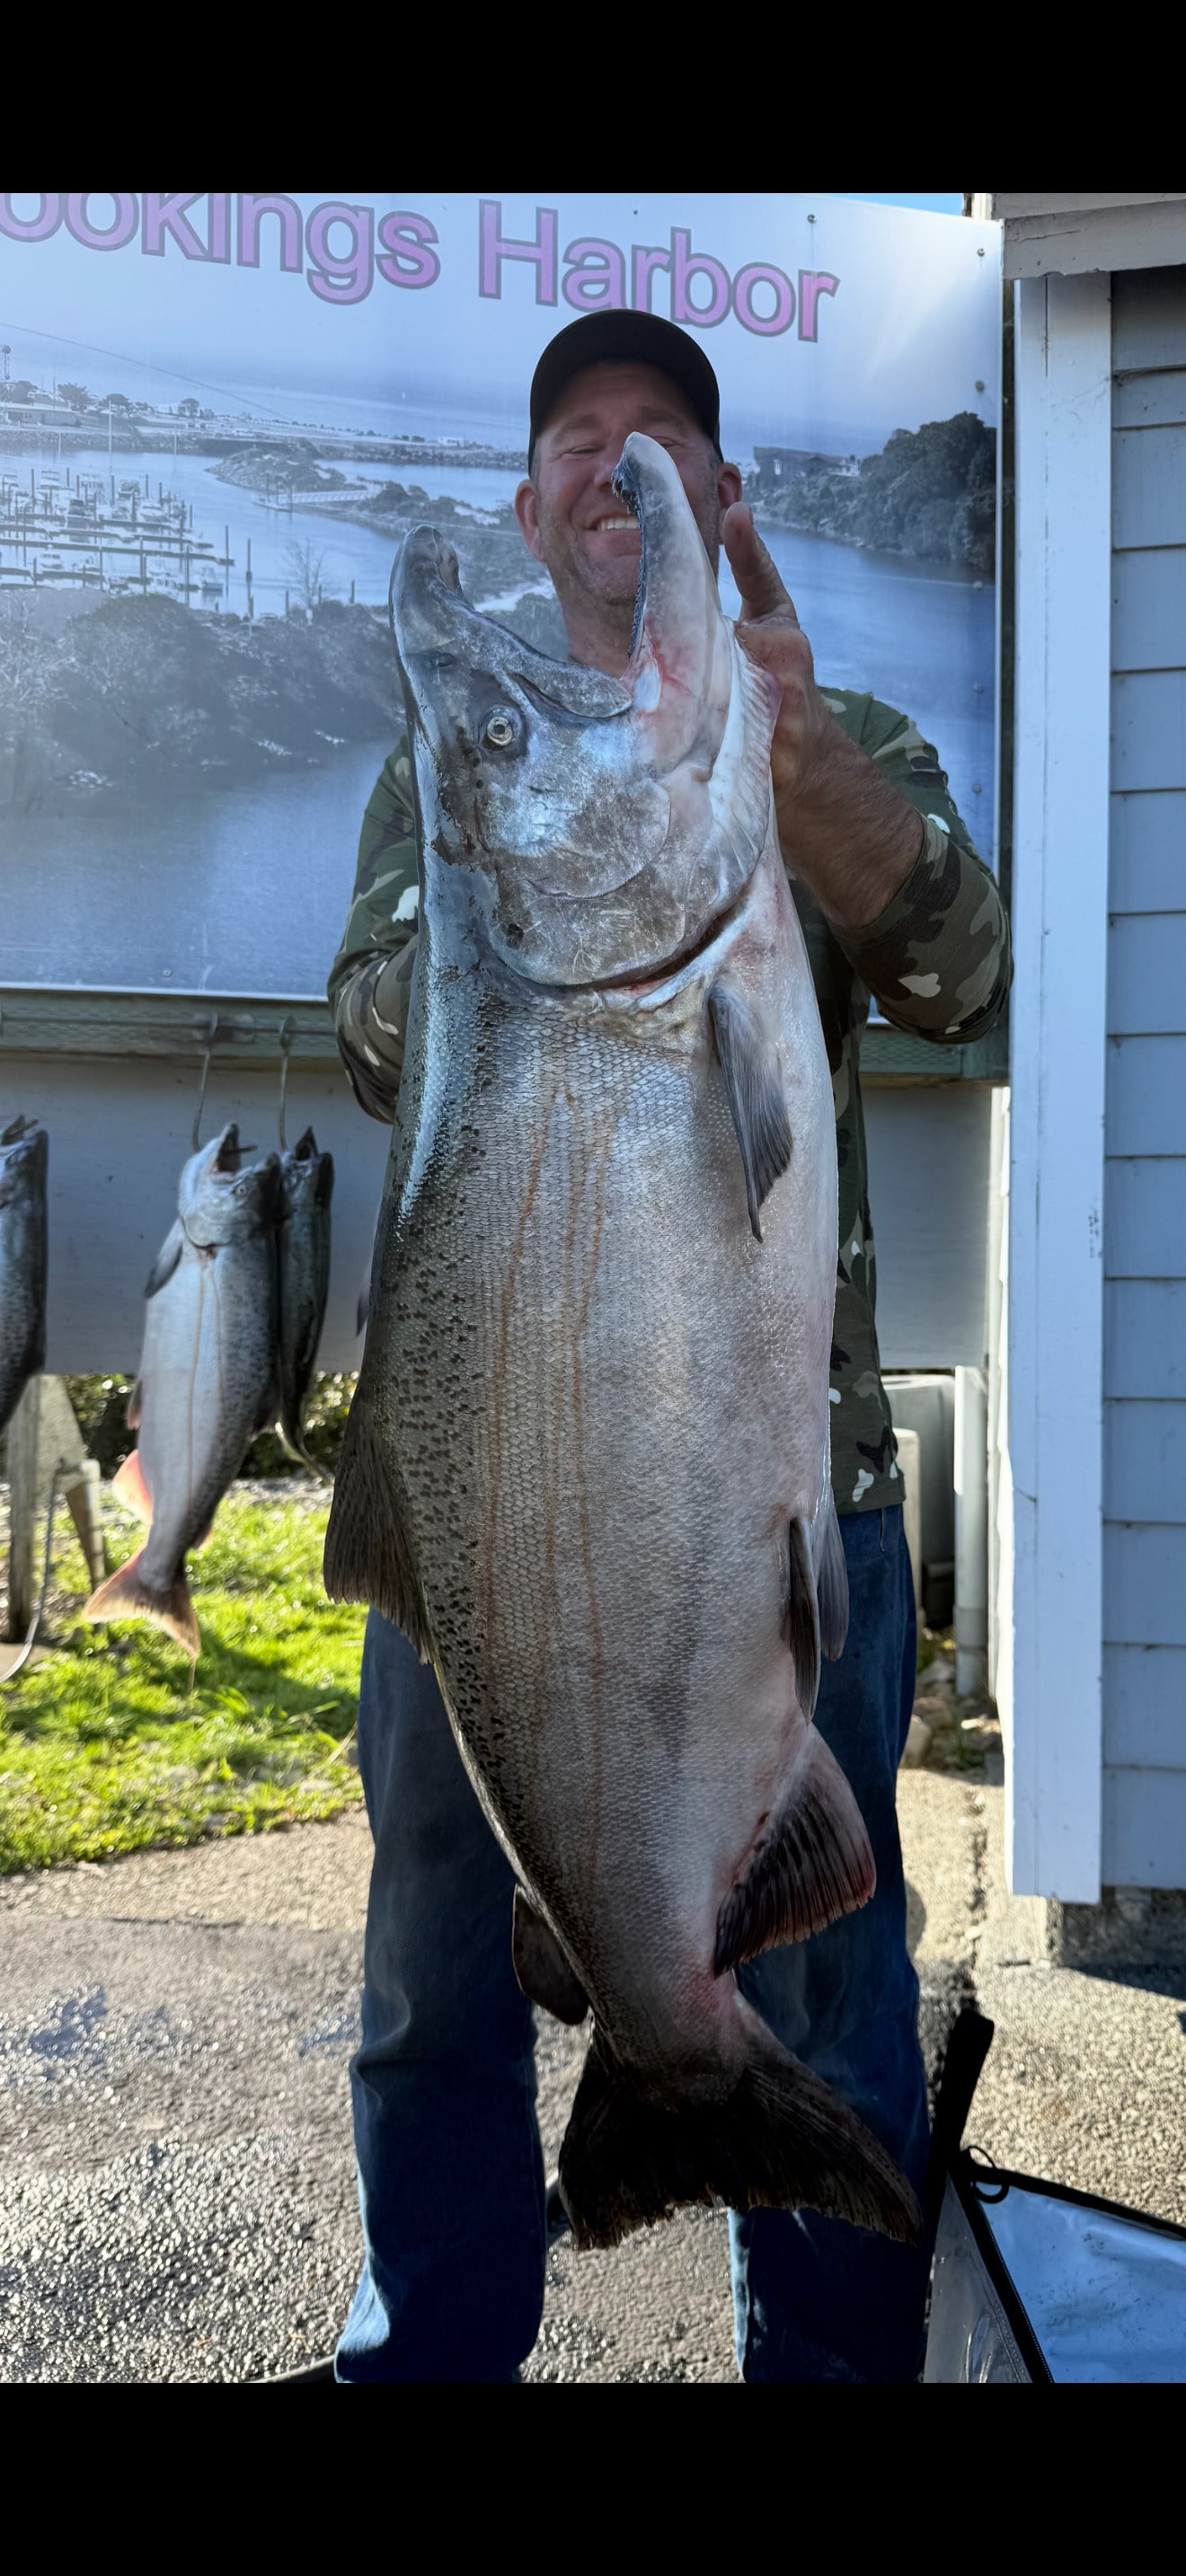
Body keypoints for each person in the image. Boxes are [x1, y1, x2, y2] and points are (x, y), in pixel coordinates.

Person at [327, 310, 1011, 2384]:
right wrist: (534, 875)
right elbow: (375, 1030)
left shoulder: (834, 727)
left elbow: (970, 970)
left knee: (829, 1994)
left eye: (659, 442)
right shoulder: (458, 757)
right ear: (536, 507)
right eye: (574, 441)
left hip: (797, 1511)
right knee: (434, 1995)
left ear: (718, 501)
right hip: (493, 1510)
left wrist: (789, 787)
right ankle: (428, 2356)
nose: (611, 470)